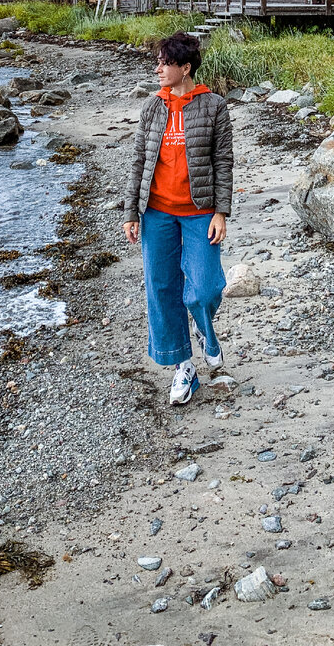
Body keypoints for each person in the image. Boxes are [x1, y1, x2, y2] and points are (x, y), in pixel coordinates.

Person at [123, 31, 233, 405]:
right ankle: (182, 366)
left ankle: (204, 328)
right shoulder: (153, 107)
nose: (158, 69)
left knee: (204, 288)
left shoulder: (214, 106)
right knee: (161, 288)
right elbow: (139, 161)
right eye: (157, 62)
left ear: (185, 68)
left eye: (164, 63)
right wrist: (131, 212)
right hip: (156, 213)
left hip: (200, 211)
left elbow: (223, 163)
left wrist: (221, 211)